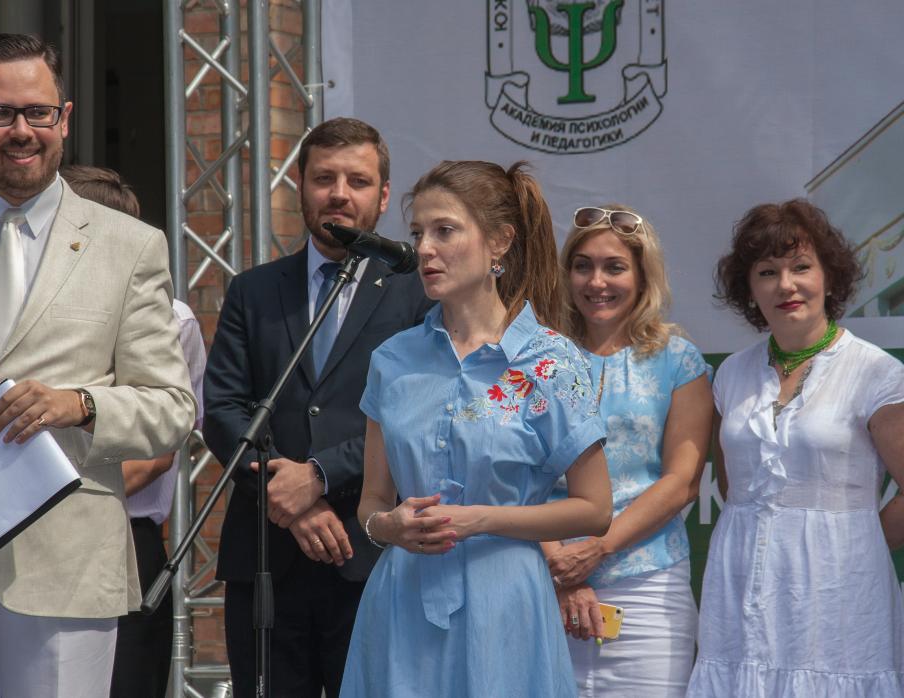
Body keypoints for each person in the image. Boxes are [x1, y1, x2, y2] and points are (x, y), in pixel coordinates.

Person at [0, 34, 196, 698]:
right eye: (0, 113)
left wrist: (79, 405)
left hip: (68, 562)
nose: (21, 130)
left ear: (65, 118)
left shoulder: (132, 246)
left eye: (38, 112)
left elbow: (171, 409)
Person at [339, 161, 614, 698]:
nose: (424, 249)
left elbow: (595, 509)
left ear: (499, 242)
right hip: (402, 602)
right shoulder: (392, 360)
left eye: (444, 230)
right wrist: (387, 527)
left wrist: (481, 519)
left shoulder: (551, 361)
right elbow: (371, 501)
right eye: (418, 233)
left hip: (506, 604)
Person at [202, 117, 433, 698]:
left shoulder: (418, 294)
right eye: (324, 178)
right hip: (266, 558)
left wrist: (320, 476)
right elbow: (224, 411)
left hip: (371, 553)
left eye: (358, 181)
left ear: (383, 196)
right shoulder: (253, 290)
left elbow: (418, 415)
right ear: (299, 186)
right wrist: (288, 502)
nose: (339, 193)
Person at [687, 199, 904, 696]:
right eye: (768, 272)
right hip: (741, 581)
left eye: (801, 267)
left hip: (839, 590)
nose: (786, 285)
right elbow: (734, 488)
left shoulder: (876, 372)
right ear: (749, 288)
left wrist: (855, 542)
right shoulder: (732, 373)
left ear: (829, 276)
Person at [544, 205, 712, 696]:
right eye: (583, 266)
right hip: (544, 580)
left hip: (648, 586)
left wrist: (598, 548)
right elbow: (515, 474)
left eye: (614, 267)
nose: (597, 282)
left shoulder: (677, 359)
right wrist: (561, 569)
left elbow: (682, 481)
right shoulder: (537, 357)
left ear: (642, 276)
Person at [60, 164, 208, 698]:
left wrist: (57, 499)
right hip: (25, 534)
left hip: (123, 531)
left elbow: (160, 450)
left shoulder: (172, 319)